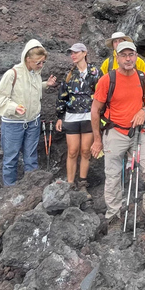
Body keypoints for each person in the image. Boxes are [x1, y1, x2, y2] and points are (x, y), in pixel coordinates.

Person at [90, 41, 145, 226]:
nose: (128, 58)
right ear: (117, 58)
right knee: (114, 175)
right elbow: (95, 110)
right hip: (114, 132)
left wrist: (143, 111)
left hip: (138, 133)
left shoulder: (142, 77)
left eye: (131, 54)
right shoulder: (108, 80)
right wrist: (97, 140)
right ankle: (113, 214)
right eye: (123, 55)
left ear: (136, 56)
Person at [0, 39, 57, 186]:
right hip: (13, 124)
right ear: (27, 59)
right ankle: (9, 191)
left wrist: (45, 85)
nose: (41, 66)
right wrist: (14, 107)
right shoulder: (12, 74)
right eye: (38, 62)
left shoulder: (35, 74)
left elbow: (30, 90)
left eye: (43, 62)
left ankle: (31, 189)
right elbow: (0, 98)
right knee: (11, 159)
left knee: (31, 157)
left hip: (33, 122)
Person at [55, 43, 100, 195]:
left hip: (89, 116)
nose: (73, 55)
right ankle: (69, 183)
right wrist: (60, 116)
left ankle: (82, 183)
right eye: (71, 53)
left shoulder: (95, 72)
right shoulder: (69, 75)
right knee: (72, 151)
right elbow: (62, 96)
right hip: (71, 117)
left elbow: (101, 93)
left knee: (86, 151)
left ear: (84, 53)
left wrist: (102, 115)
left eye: (76, 52)